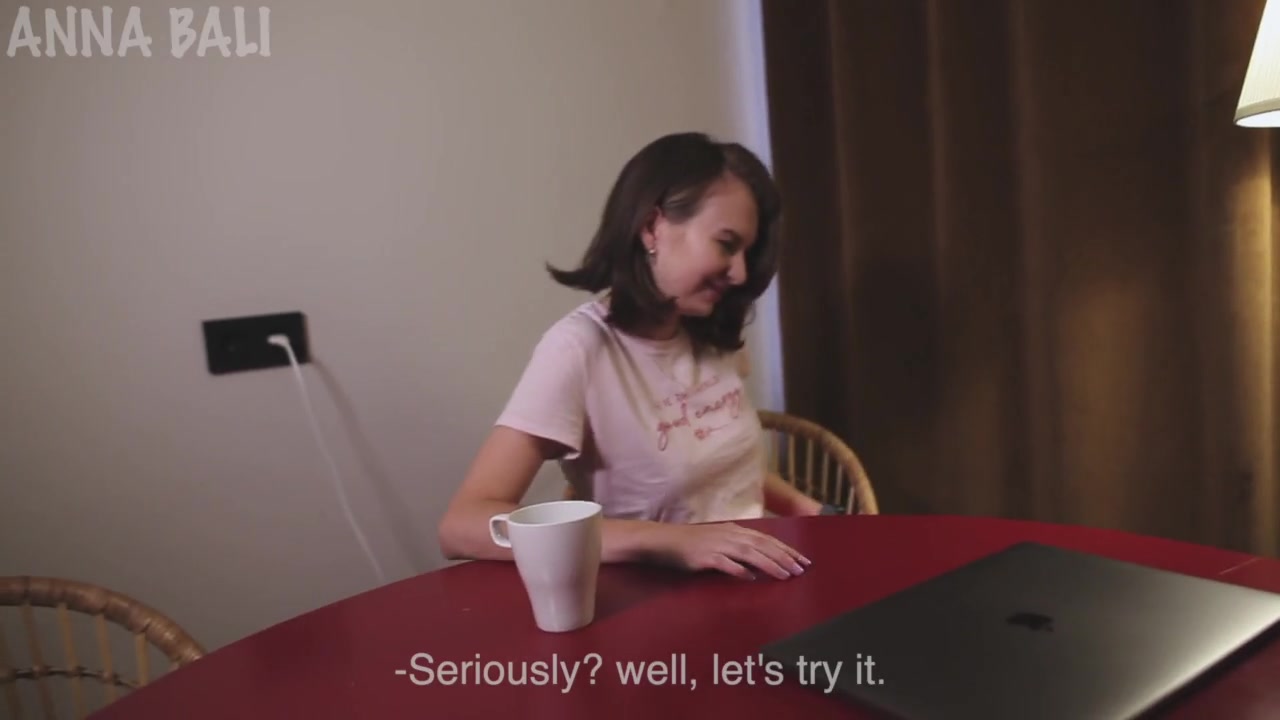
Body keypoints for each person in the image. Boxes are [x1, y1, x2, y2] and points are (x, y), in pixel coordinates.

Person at [437, 131, 821, 581]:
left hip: (757, 579)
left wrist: (808, 509)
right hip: (659, 598)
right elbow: (461, 527)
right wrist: (669, 540)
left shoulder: (713, 335)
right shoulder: (578, 349)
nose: (739, 273)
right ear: (652, 227)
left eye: (747, 253)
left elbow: (716, 471)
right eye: (726, 244)